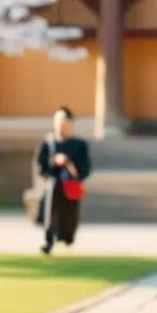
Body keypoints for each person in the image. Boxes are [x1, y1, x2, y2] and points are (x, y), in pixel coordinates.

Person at [36, 106, 93, 255]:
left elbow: (85, 168)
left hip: (71, 185)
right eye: (59, 123)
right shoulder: (48, 144)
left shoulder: (79, 145)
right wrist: (53, 162)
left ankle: (68, 238)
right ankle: (49, 241)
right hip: (54, 184)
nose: (62, 127)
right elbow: (41, 167)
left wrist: (70, 165)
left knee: (69, 216)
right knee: (51, 212)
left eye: (65, 123)